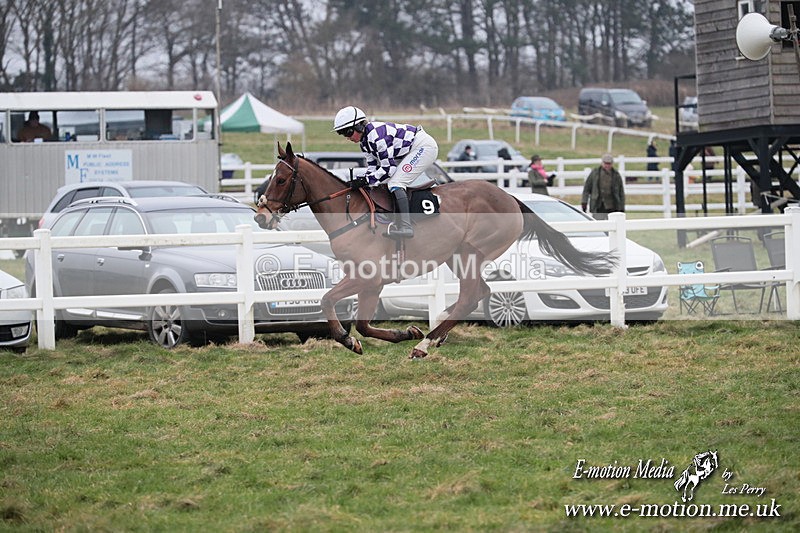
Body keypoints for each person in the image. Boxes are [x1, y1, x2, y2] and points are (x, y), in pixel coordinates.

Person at [332, 105, 439, 240]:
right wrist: (362, 180)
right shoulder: (364, 143)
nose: (347, 138)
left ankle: (406, 226)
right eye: (342, 134)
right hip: (408, 151)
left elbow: (388, 169)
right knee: (386, 181)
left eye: (348, 132)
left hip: (423, 147)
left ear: (359, 126)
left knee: (396, 182)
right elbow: (372, 169)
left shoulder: (377, 136)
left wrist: (367, 180)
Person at [581, 153, 625, 220]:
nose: (607, 165)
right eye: (605, 163)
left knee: (612, 226)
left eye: (609, 163)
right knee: (598, 226)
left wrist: (621, 207)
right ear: (602, 163)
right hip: (598, 205)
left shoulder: (616, 175)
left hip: (612, 206)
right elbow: (586, 189)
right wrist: (584, 202)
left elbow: (621, 192)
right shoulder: (595, 173)